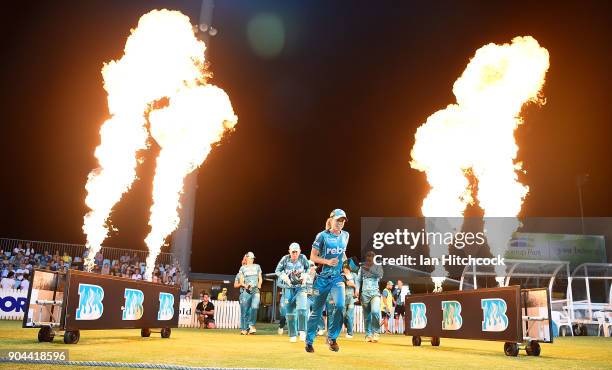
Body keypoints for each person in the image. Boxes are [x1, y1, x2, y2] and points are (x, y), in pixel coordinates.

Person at [305, 209, 349, 353]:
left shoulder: (346, 236)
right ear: (331, 220)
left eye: (342, 221)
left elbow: (342, 254)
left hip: (337, 279)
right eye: (338, 220)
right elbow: (312, 257)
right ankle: (309, 341)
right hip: (322, 279)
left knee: (341, 306)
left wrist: (348, 264)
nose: (340, 223)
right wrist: (327, 262)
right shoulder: (322, 236)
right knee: (316, 312)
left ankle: (332, 338)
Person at [275, 242, 310, 342]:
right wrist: (285, 277)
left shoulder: (303, 258)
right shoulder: (285, 259)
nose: (294, 254)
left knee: (302, 309)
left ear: (299, 251)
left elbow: (308, 269)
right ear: (289, 251)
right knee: (290, 312)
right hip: (288, 287)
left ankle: (302, 331)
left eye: (296, 252)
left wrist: (304, 276)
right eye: (293, 252)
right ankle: (292, 334)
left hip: (301, 287)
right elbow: (277, 270)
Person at [356, 250, 384, 342]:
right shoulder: (362, 268)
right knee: (367, 316)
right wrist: (357, 290)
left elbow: (380, 275)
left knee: (375, 311)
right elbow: (358, 280)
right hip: (364, 294)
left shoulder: (377, 267)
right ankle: (368, 334)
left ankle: (376, 332)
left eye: (371, 260)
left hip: (375, 293)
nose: (369, 262)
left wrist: (370, 269)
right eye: (368, 260)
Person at [236, 251, 262, 335]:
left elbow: (260, 278)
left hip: (255, 290)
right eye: (250, 258)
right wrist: (245, 285)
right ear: (247, 258)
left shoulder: (257, 266)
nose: (251, 260)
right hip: (246, 291)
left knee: (254, 307)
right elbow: (241, 280)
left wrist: (259, 284)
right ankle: (244, 329)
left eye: (252, 258)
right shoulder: (242, 268)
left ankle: (252, 325)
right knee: (245, 311)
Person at [342, 264, 357, 338]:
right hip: (343, 297)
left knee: (349, 315)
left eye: (347, 268)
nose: (345, 269)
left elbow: (357, 285)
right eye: (344, 268)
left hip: (351, 297)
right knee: (343, 315)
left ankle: (350, 333)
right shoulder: (341, 275)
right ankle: (349, 326)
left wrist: (353, 286)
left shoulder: (353, 275)